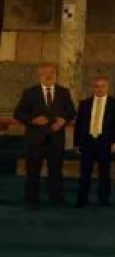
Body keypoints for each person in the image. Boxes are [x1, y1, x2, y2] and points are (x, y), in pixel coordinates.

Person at [14, 62, 77, 206]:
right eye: (45, 73)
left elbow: (71, 112)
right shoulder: (30, 92)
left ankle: (56, 198)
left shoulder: (64, 92)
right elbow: (18, 113)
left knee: (56, 170)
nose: (49, 75)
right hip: (36, 139)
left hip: (56, 139)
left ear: (56, 75)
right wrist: (33, 120)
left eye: (52, 73)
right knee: (33, 171)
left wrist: (63, 120)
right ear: (39, 75)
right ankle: (32, 199)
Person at [74, 76, 115, 208]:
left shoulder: (114, 104)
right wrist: (77, 142)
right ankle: (82, 199)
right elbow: (79, 124)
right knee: (85, 172)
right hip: (88, 141)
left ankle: (104, 198)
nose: (99, 89)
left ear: (107, 87)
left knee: (104, 172)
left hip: (105, 142)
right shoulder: (85, 104)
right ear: (93, 88)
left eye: (102, 86)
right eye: (96, 86)